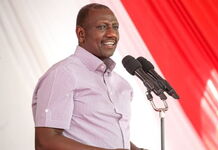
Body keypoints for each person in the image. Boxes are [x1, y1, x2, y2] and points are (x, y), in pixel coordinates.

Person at [32, 3, 146, 150]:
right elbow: (46, 141)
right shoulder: (63, 74)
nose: (112, 34)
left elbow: (106, 135)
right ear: (81, 34)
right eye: (102, 27)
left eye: (115, 27)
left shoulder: (122, 84)